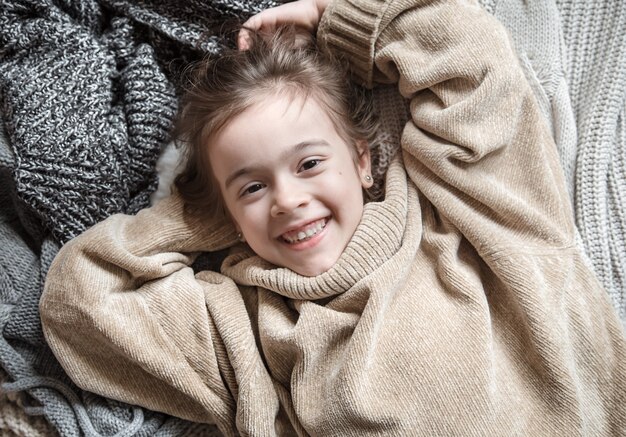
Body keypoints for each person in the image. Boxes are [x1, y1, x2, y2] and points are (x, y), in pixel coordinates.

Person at [40, 0, 626, 435]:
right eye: (254, 185)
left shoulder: (468, 214)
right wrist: (213, 210)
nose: (289, 199)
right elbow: (78, 301)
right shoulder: (247, 325)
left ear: (364, 161)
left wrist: (332, 18)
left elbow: (469, 56)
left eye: (310, 163)